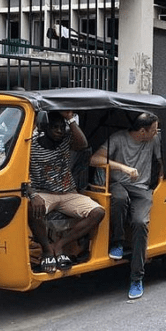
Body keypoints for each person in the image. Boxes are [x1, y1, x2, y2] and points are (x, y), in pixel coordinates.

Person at [90, 113, 162, 299]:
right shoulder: (118, 138)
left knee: (140, 223)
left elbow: (162, 162)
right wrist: (122, 168)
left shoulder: (154, 140)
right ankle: (117, 242)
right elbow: (94, 159)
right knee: (119, 199)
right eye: (153, 130)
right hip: (119, 184)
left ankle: (136, 278)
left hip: (142, 189)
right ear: (142, 131)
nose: (156, 132)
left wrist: (160, 183)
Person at [28, 111, 105, 273]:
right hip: (43, 192)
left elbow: (83, 144)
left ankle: (59, 245)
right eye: (55, 127)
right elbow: (20, 174)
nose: (59, 131)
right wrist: (33, 194)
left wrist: (70, 119)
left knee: (98, 212)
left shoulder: (65, 141)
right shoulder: (31, 145)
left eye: (62, 128)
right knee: (32, 208)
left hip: (68, 192)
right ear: (45, 128)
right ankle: (47, 249)